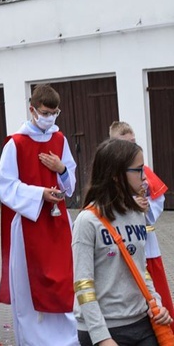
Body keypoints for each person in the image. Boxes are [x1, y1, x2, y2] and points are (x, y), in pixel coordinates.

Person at [0, 84, 78, 345]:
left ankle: (67, 337)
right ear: (32, 109)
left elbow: (71, 185)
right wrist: (40, 193)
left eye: (54, 113)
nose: (50, 118)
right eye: (45, 112)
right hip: (29, 222)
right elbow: (5, 184)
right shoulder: (15, 143)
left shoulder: (60, 139)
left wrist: (62, 168)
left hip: (58, 221)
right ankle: (35, 340)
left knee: (63, 279)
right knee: (30, 284)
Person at [73, 138, 172, 345]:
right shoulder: (87, 221)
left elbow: (141, 269)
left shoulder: (137, 214)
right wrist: (102, 338)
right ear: (116, 176)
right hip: (105, 329)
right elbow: (83, 285)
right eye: (138, 171)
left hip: (142, 322)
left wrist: (157, 305)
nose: (145, 179)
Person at [109, 121, 174, 331]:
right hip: (119, 242)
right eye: (125, 144)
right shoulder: (109, 173)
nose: (131, 148)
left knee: (156, 291)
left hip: (146, 242)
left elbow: (157, 202)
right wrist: (130, 204)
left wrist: (145, 207)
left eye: (133, 143)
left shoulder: (143, 170)